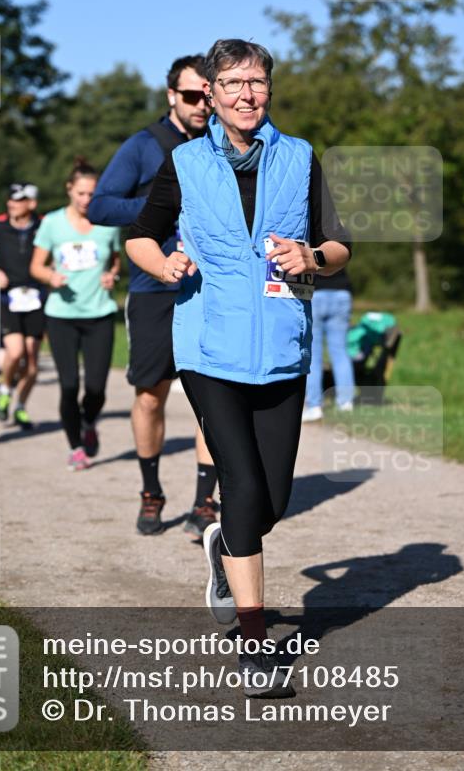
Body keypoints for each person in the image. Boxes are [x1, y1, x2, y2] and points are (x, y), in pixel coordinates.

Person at [126, 39, 352, 696]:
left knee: (272, 501)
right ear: (212, 94)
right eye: (231, 84)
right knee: (244, 488)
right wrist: (163, 264)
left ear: (269, 90)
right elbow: (140, 235)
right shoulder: (185, 163)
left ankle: (226, 546)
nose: (245, 94)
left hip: (282, 347)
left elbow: (339, 244)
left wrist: (312, 258)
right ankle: (254, 645)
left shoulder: (300, 157)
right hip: (209, 348)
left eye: (256, 82)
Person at [88, 55, 219, 538]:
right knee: (149, 396)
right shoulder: (144, 146)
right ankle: (151, 492)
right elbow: (100, 206)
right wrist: (161, 204)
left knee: (214, 398)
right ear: (171, 96)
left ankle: (205, 501)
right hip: (152, 288)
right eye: (191, 95)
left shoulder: (223, 144)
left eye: (208, 95)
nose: (201, 104)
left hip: (211, 287)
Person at [31, 159, 121, 471]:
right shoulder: (52, 223)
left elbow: (115, 259)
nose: (86, 200)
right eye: (81, 193)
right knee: (69, 385)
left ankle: (89, 421)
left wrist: (112, 274)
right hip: (62, 316)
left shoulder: (107, 222)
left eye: (92, 194)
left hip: (99, 314)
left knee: (96, 388)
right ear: (69, 190)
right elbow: (36, 266)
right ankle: (76, 447)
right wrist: (50, 276)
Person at [0, 183, 44, 430]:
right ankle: (4, 389)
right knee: (16, 351)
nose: (12, 204)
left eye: (19, 200)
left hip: (37, 298)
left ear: (31, 203)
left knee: (31, 364)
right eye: (10, 200)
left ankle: (20, 406)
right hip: (8, 298)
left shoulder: (42, 227)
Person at [302, 266, 355, 422]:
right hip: (342, 292)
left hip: (315, 293)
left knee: (312, 355)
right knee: (340, 352)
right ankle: (345, 403)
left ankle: (314, 406)